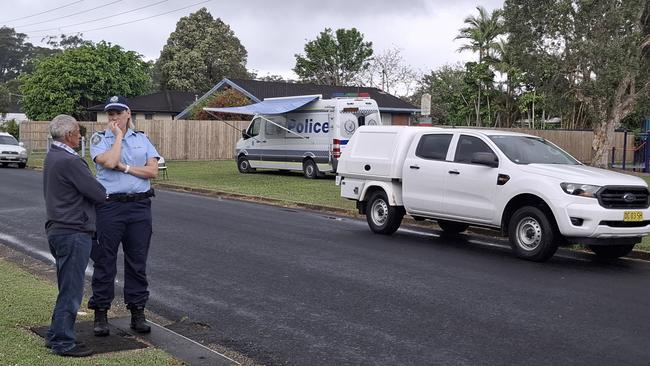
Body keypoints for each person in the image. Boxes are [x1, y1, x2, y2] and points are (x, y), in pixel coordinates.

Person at [88, 95, 160, 336]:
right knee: (105, 260)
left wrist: (126, 168)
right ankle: (101, 312)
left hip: (140, 207)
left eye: (118, 113)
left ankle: (137, 311)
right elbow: (109, 162)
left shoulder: (143, 139)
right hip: (110, 206)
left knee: (137, 261)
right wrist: (118, 137)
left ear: (128, 113)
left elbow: (152, 171)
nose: (114, 118)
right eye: (110, 114)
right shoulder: (99, 138)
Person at [43, 114, 106, 357]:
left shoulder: (52, 156)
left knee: (65, 287)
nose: (80, 136)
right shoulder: (71, 161)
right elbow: (98, 193)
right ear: (69, 135)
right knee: (71, 291)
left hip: (57, 229)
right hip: (73, 231)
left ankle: (55, 334)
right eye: (78, 132)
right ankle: (63, 343)